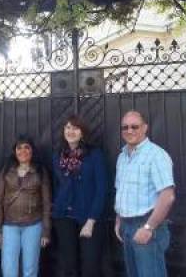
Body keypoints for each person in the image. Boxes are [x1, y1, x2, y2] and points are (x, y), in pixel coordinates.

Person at [114, 110, 175, 277]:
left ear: (145, 128)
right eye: (125, 127)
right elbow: (121, 189)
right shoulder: (123, 157)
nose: (129, 130)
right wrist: (119, 219)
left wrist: (148, 227)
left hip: (146, 225)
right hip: (127, 226)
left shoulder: (156, 155)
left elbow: (167, 196)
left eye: (135, 126)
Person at [51, 115, 108, 277]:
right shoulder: (57, 156)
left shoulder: (94, 155)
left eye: (75, 128)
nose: (71, 131)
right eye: (67, 127)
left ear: (82, 132)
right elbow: (57, 185)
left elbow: (101, 189)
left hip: (89, 216)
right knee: (69, 266)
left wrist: (91, 221)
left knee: (91, 266)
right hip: (64, 216)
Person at [0, 135, 51, 277]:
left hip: (33, 225)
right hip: (9, 225)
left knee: (30, 269)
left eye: (27, 147)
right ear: (15, 151)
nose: (23, 151)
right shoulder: (6, 171)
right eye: (19, 148)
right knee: (8, 268)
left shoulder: (40, 172)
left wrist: (46, 231)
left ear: (32, 151)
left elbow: (46, 203)